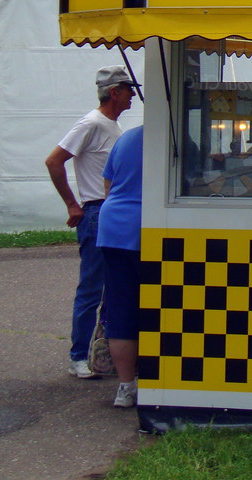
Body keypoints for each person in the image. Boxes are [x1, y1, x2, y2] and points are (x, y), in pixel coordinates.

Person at [45, 65, 135, 378]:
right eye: (128, 89)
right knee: (93, 288)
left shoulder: (111, 125)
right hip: (96, 210)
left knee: (113, 287)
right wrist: (72, 204)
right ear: (114, 92)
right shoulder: (91, 123)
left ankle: (102, 352)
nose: (132, 94)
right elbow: (54, 160)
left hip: (110, 211)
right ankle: (78, 355)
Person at [97, 125, 143, 408]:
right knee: (160, 306)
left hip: (113, 224)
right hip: (149, 225)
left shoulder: (127, 137)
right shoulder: (177, 136)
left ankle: (125, 387)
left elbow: (108, 184)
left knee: (121, 307)